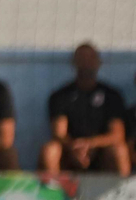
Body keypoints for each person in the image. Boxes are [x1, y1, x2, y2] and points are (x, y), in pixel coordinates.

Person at [40, 44, 130, 178]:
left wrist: (91, 144)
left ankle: (124, 190)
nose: (86, 63)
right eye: (82, 58)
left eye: (91, 58)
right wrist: (75, 147)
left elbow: (117, 134)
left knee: (119, 150)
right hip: (70, 151)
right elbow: (59, 133)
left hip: (101, 152)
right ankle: (53, 190)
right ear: (73, 62)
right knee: (50, 150)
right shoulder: (60, 96)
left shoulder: (112, 95)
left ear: (99, 62)